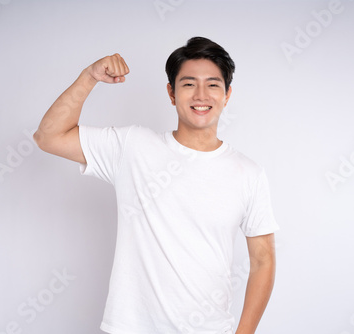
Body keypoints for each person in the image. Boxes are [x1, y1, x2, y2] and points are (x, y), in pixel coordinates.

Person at [34, 36, 279, 334]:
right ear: (171, 93)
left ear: (227, 95)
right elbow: (48, 137)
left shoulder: (248, 173)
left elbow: (263, 260)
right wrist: (89, 77)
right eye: (188, 84)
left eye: (213, 84)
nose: (201, 94)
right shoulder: (133, 147)